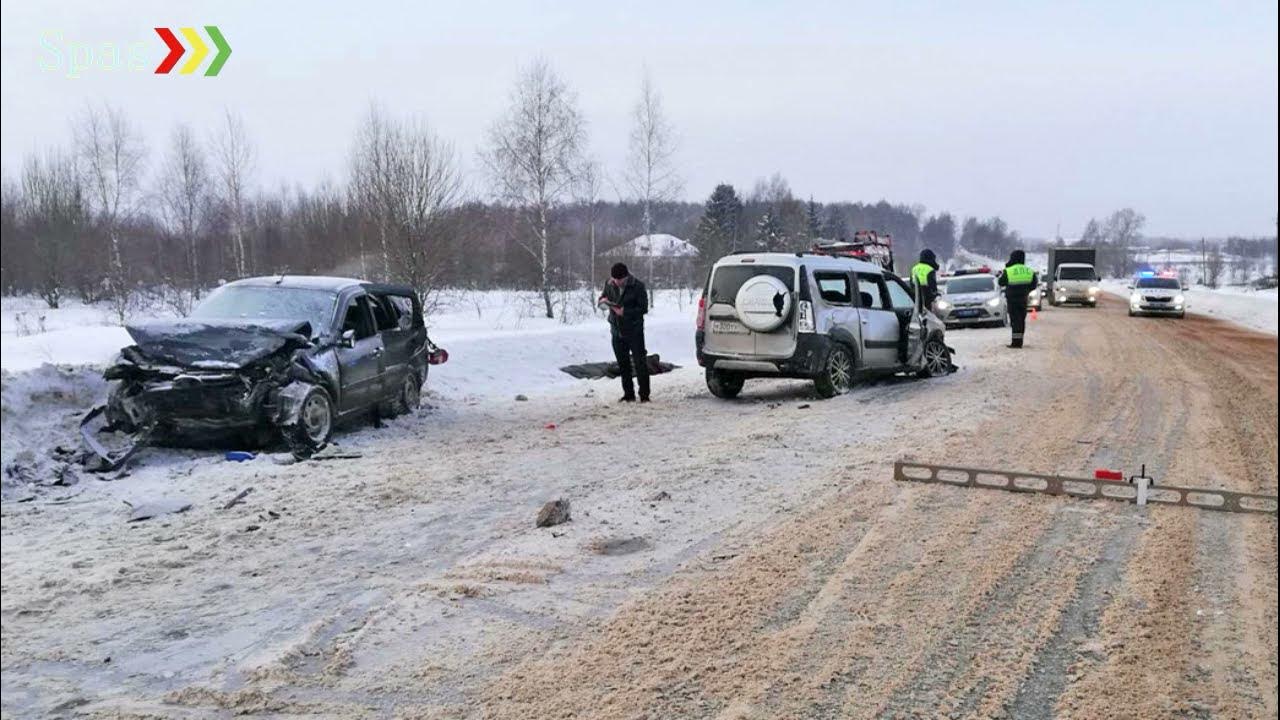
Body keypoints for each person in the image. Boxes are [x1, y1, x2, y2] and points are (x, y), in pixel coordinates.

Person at [599, 263, 650, 402]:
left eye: (619, 280)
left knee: (640, 363)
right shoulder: (609, 284)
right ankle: (628, 394)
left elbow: (643, 308)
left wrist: (625, 312)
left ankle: (644, 395)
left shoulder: (638, 286)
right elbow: (603, 298)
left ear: (626, 277)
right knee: (623, 364)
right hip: (616, 330)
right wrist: (603, 301)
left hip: (634, 330)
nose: (616, 282)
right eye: (614, 279)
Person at [902, 249, 940, 363]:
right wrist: (935, 294)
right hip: (927, 301)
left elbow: (911, 285)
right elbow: (933, 286)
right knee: (931, 326)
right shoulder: (930, 269)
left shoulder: (914, 268)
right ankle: (930, 349)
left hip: (916, 300)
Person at [998, 249, 1038, 348]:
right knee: (1021, 319)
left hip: (1012, 299)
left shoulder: (1009, 270)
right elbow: (1034, 284)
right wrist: (1026, 290)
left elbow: (1001, 282)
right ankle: (1020, 341)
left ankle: (1016, 343)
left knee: (1015, 320)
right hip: (1023, 299)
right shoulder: (1029, 270)